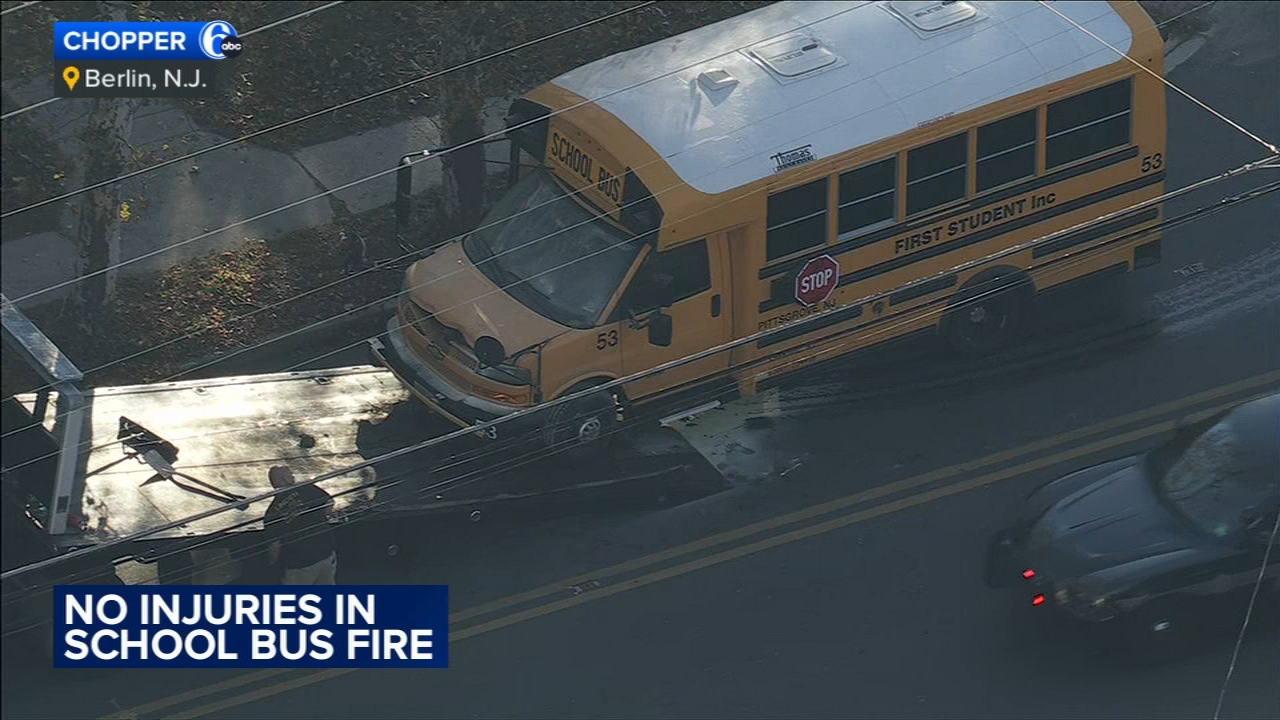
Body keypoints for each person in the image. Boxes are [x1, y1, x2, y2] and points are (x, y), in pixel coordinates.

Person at [264, 466, 338, 584]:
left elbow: (275, 545)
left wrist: (272, 564)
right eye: (290, 475)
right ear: (284, 479)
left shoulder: (272, 512)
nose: (293, 476)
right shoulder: (307, 488)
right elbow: (328, 502)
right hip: (325, 552)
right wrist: (323, 515)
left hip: (300, 563)